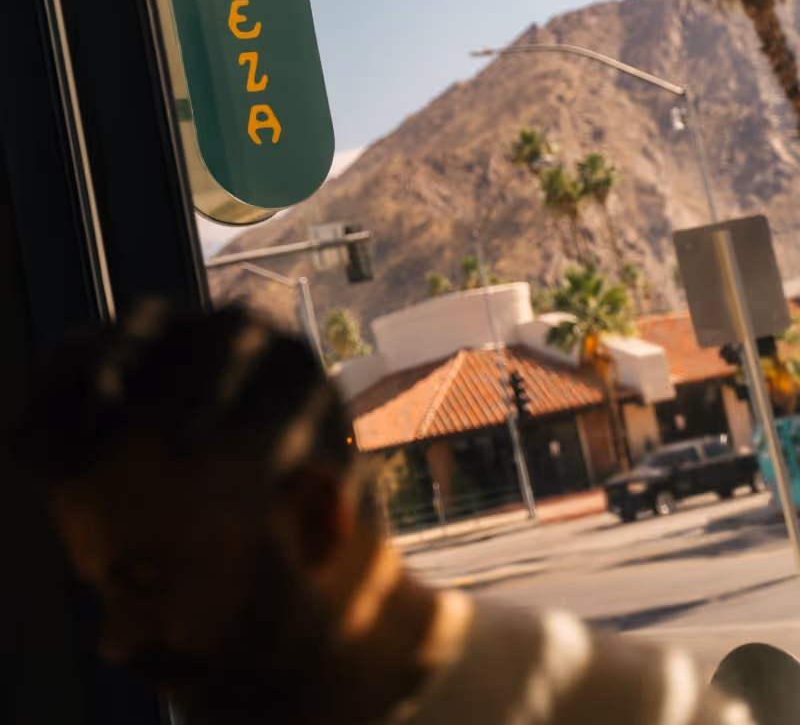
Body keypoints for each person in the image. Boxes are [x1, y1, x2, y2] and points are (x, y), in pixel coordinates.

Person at [17, 301, 753, 725]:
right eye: (102, 592)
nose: (115, 641)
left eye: (145, 577)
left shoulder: (631, 712)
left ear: (314, 523)